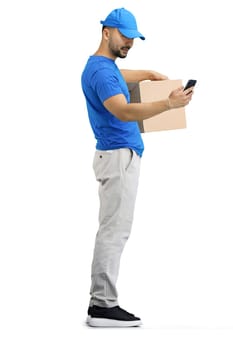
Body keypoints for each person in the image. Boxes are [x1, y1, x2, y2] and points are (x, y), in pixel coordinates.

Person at [81, 7, 194, 328]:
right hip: (117, 156)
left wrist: (147, 73)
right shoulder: (102, 73)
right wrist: (169, 104)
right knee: (114, 230)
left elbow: (118, 77)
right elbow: (122, 110)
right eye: (124, 36)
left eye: (133, 38)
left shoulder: (103, 67)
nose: (129, 42)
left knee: (115, 228)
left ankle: (102, 302)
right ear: (107, 33)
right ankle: (102, 306)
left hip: (119, 155)